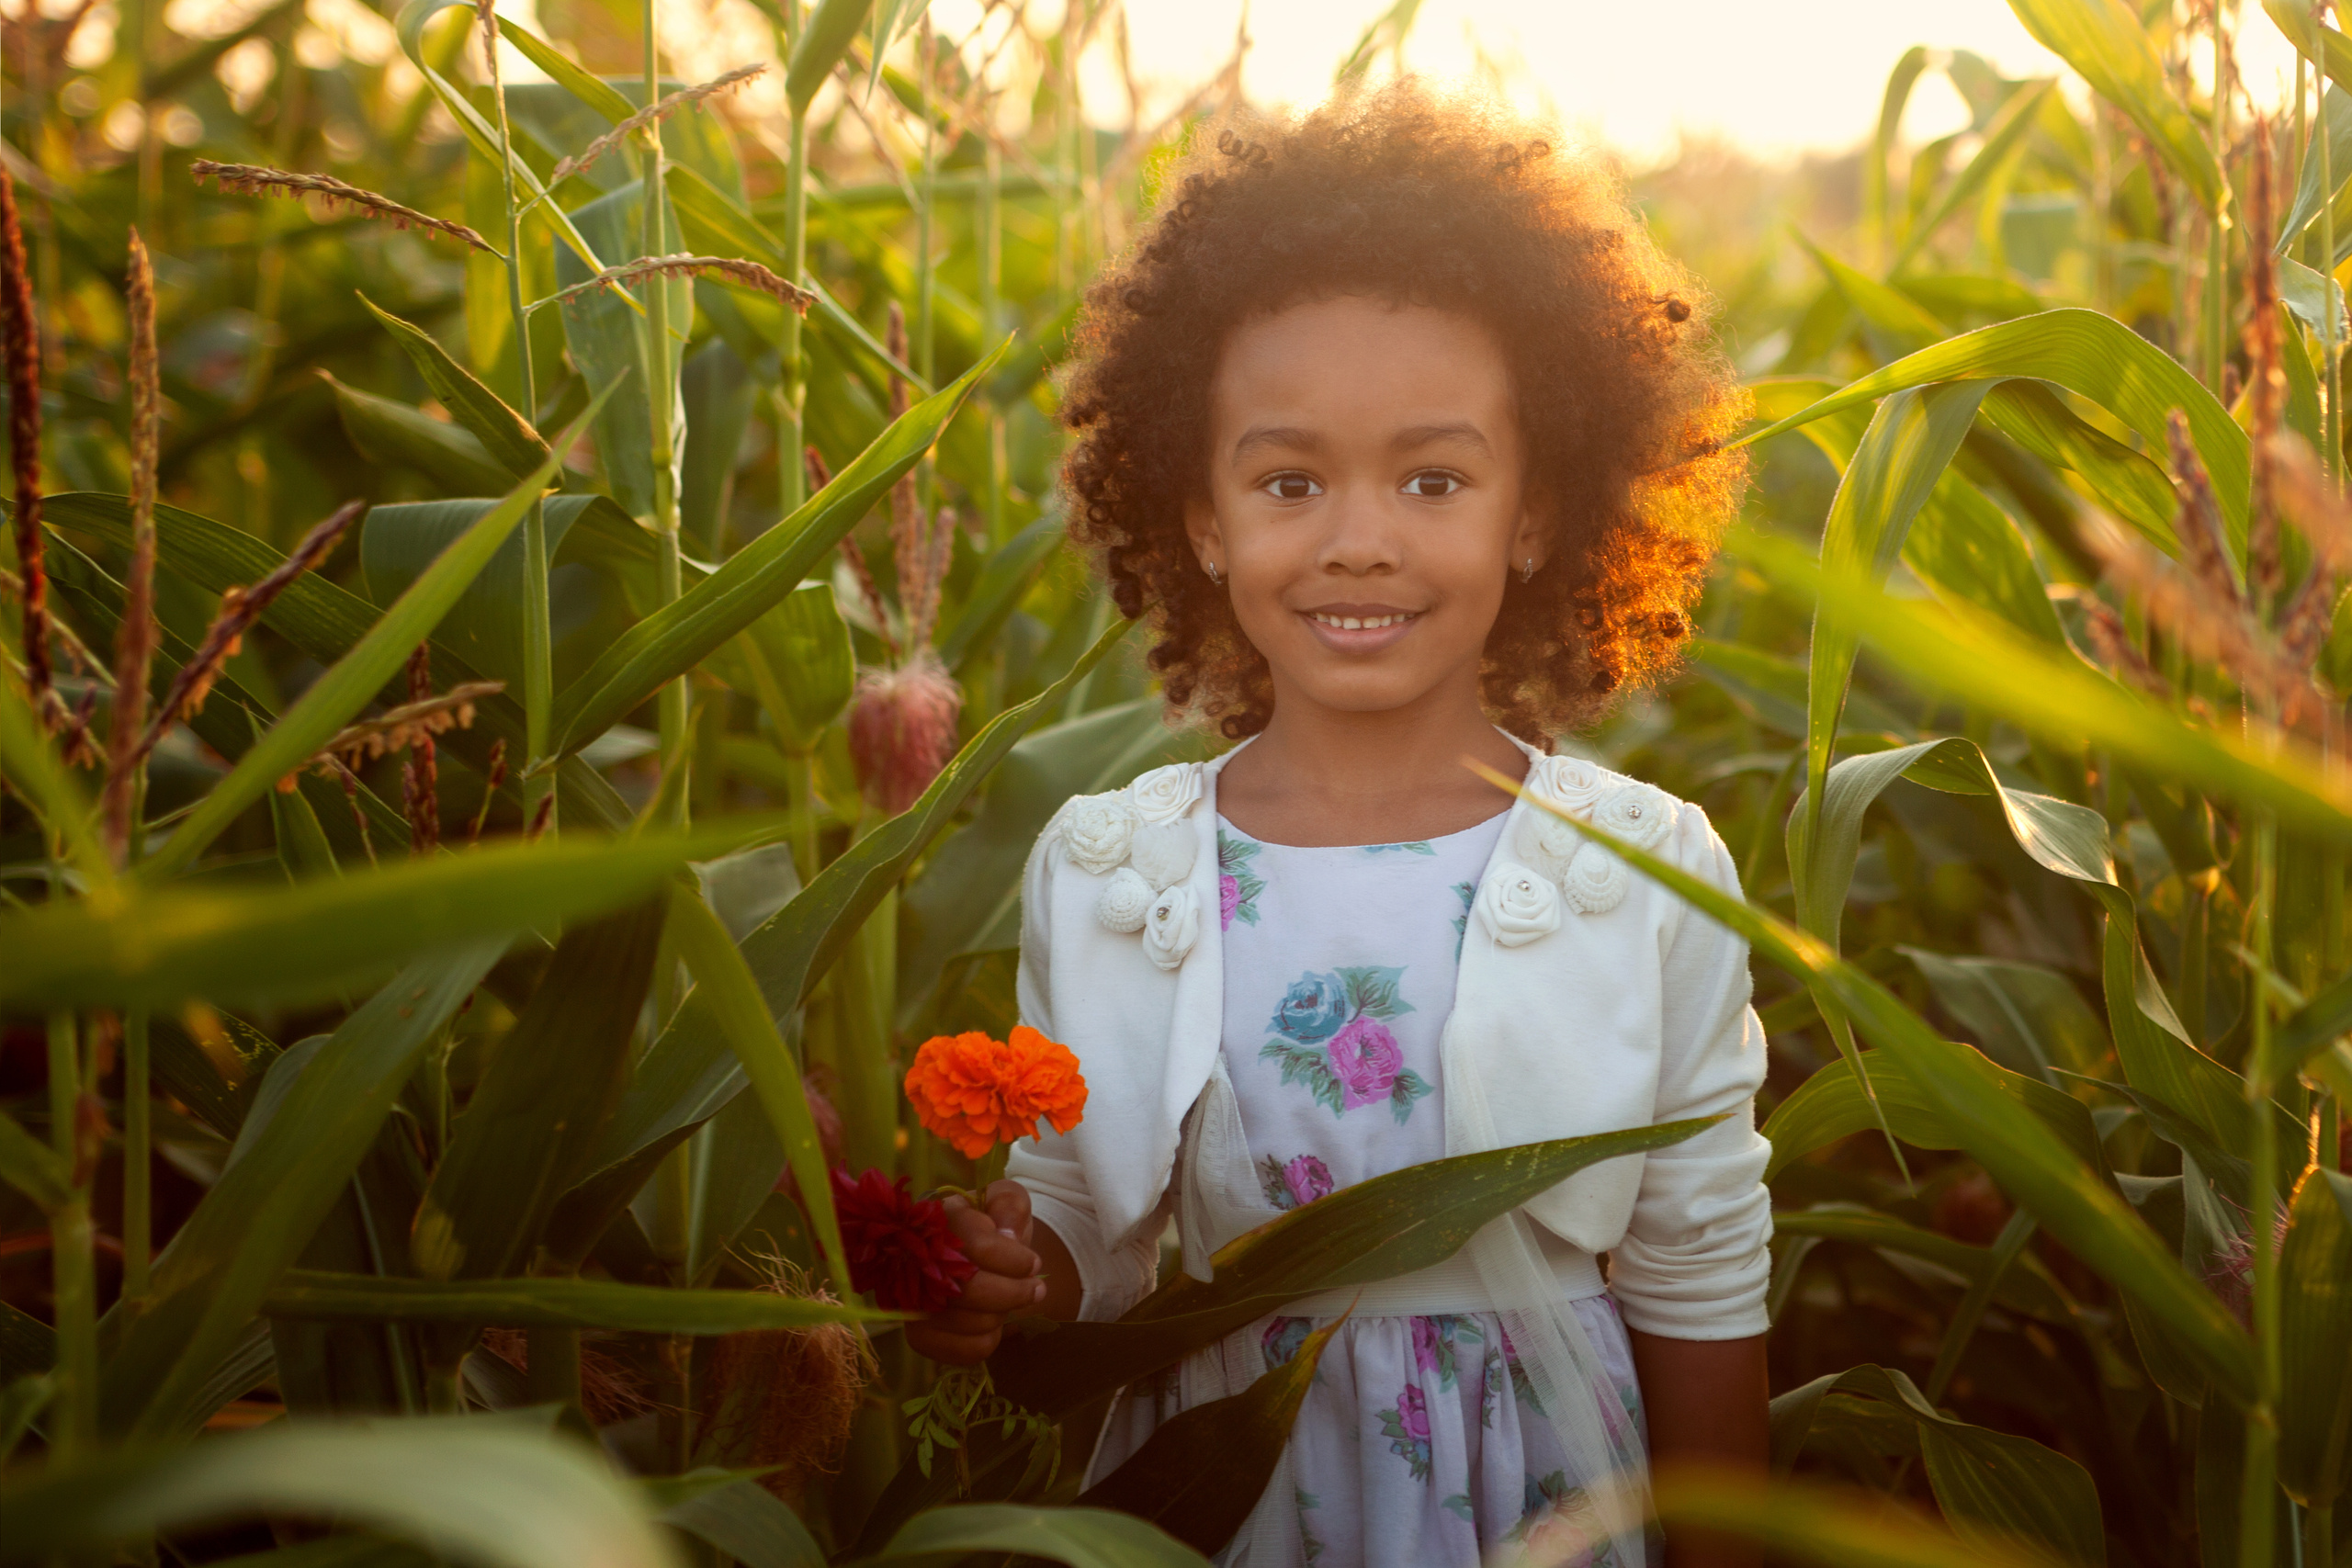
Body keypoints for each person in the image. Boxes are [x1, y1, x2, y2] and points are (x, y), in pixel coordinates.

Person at [907, 83, 1770, 1568]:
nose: (1358, 537)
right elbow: (1082, 1238)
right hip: (1220, 1495)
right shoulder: (1118, 871)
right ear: (1201, 519)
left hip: (1552, 1500)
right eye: (1291, 480)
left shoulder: (1644, 869)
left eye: (1432, 478)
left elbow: (1698, 1272)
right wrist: (996, 1273)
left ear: (1536, 511)